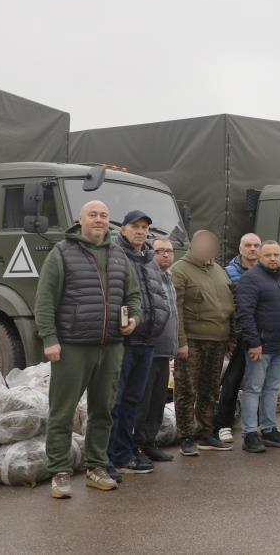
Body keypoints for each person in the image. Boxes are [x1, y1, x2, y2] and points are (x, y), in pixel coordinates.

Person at [37, 200, 141, 499]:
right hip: (72, 346)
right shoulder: (62, 253)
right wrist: (49, 339)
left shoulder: (119, 255)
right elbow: (45, 299)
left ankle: (96, 467)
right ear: (79, 220)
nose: (99, 220)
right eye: (92, 215)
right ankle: (59, 472)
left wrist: (133, 319)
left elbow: (133, 297)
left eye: (104, 216)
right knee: (63, 411)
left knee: (103, 410)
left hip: (110, 346)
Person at [109, 211, 170, 477]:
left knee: (134, 401)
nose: (140, 231)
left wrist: (160, 319)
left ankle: (126, 450)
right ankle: (114, 456)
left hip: (147, 341)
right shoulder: (115, 256)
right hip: (124, 341)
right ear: (123, 229)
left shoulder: (149, 260)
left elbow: (158, 295)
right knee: (116, 401)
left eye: (145, 227)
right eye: (135, 226)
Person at [172, 230, 236, 456]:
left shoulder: (219, 271)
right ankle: (186, 435)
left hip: (218, 340)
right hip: (192, 341)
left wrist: (231, 337)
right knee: (186, 389)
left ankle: (206, 432)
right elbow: (176, 309)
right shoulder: (179, 270)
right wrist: (181, 341)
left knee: (210, 390)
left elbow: (229, 305)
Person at [235, 241, 280, 453]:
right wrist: (254, 342)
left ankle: (269, 429)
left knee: (271, 389)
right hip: (260, 346)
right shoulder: (249, 279)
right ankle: (250, 433)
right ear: (260, 256)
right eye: (268, 254)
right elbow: (244, 313)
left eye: (276, 254)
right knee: (253, 389)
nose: (273, 258)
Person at [134, 237, 180, 464]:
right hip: (149, 347)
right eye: (160, 250)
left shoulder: (169, 278)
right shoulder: (146, 276)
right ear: (151, 252)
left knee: (158, 400)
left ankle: (149, 443)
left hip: (165, 351)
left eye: (169, 251)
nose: (165, 255)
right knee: (143, 400)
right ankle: (137, 445)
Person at [216, 233, 262, 444]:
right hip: (238, 335)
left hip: (261, 336)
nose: (252, 249)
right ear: (240, 248)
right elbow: (225, 307)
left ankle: (256, 424)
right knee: (232, 382)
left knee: (258, 383)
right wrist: (231, 335)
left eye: (256, 245)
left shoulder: (266, 272)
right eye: (248, 245)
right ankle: (223, 425)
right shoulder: (228, 273)